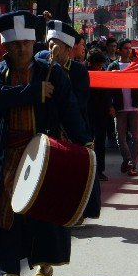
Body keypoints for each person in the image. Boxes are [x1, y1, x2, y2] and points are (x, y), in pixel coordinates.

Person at [0, 10, 92, 276]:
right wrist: (33, 92)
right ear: (6, 46)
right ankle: (10, 270)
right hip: (9, 154)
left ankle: (44, 261)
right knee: (8, 211)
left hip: (45, 153)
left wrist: (85, 143)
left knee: (43, 207)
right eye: (15, 44)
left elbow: (69, 111)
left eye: (26, 44)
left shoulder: (53, 73)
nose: (21, 49)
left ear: (34, 44)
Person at [38, 18, 99, 218]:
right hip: (48, 127)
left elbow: (79, 101)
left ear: (68, 49)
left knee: (75, 172)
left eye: (57, 46)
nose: (52, 48)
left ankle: (77, 210)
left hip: (72, 127)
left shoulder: (78, 70)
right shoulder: (41, 64)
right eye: (50, 44)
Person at [110, 39, 138, 175]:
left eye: (130, 48)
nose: (128, 50)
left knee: (136, 138)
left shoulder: (136, 66)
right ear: (119, 50)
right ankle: (128, 159)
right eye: (125, 48)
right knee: (120, 137)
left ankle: (133, 165)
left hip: (134, 106)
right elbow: (106, 87)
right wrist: (110, 105)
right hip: (119, 107)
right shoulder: (113, 66)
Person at [86, 50, 113, 180]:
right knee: (88, 141)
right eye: (98, 65)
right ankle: (89, 168)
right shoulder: (85, 73)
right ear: (91, 63)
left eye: (101, 65)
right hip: (88, 111)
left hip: (102, 112)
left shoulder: (104, 73)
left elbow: (108, 93)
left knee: (101, 142)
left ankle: (100, 170)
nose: (100, 67)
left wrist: (110, 107)